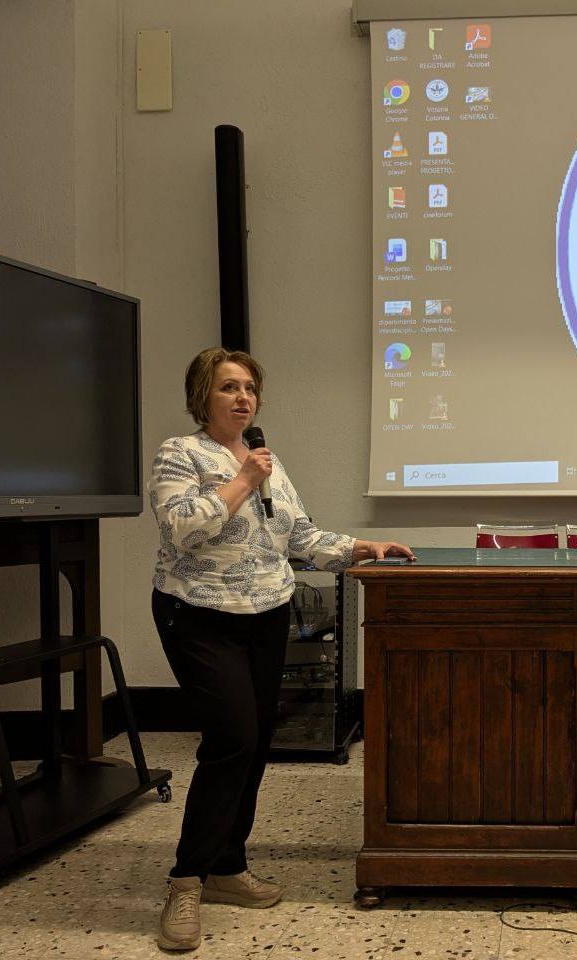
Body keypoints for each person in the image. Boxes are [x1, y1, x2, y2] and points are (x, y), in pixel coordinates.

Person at [149, 347, 413, 951]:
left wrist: (363, 547)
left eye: (249, 388)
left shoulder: (268, 460)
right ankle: (186, 881)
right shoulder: (180, 453)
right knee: (231, 738)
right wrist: (244, 481)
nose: (242, 398)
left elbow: (300, 536)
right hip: (198, 614)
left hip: (266, 615)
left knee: (255, 742)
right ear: (202, 396)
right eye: (228, 387)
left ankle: (227, 866)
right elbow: (182, 527)